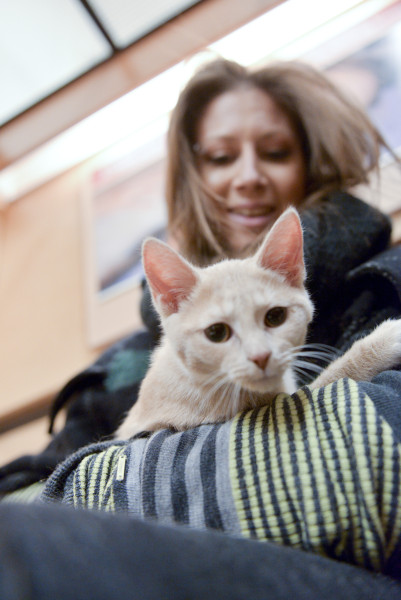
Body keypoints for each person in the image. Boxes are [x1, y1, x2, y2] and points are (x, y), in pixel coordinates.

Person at [1, 57, 401, 597]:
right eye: (219, 156)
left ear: (312, 160)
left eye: (277, 151)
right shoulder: (126, 362)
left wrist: (127, 483)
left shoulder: (381, 283)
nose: (249, 177)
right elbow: (35, 492)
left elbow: (377, 456)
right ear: (194, 176)